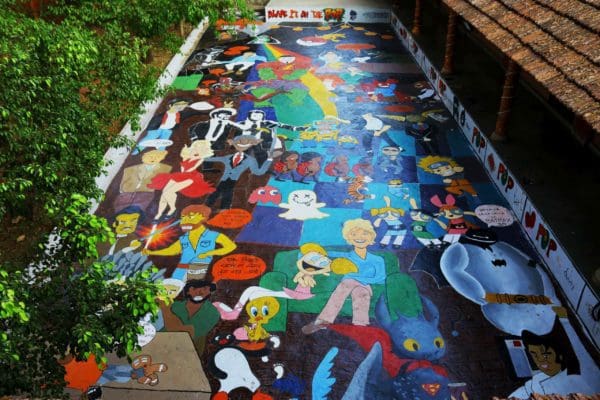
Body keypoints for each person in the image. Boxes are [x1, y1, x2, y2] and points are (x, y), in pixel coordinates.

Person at [302, 219, 386, 334]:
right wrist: (310, 254)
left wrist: (358, 279)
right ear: (349, 238)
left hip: (364, 285)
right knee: (353, 287)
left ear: (371, 237)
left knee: (360, 290)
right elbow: (322, 254)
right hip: (347, 284)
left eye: (364, 233)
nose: (359, 237)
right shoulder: (347, 256)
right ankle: (356, 326)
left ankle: (326, 321)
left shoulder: (377, 259)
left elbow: (381, 278)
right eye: (354, 234)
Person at [143, 204, 236, 281]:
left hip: (199, 268)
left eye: (190, 216)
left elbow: (231, 246)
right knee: (172, 290)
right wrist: (151, 252)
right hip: (180, 270)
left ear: (203, 217)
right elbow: (171, 250)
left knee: (190, 291)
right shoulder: (184, 238)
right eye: (183, 217)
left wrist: (210, 253)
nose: (185, 220)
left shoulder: (212, 235)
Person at [147, 140, 215, 222]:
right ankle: (159, 214)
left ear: (203, 150)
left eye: (199, 148)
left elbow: (191, 169)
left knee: (168, 192)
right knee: (164, 193)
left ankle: (172, 209)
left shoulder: (200, 159)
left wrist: (187, 164)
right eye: (195, 147)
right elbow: (183, 167)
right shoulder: (187, 155)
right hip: (180, 175)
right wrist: (186, 158)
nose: (196, 149)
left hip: (191, 177)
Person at [205, 136, 272, 209]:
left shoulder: (250, 160)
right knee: (219, 192)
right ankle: (210, 206)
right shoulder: (228, 157)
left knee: (226, 193)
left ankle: (223, 208)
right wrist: (202, 156)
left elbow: (258, 172)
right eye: (238, 142)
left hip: (236, 181)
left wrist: (269, 160)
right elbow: (214, 159)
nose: (241, 145)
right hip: (224, 179)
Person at [159, 279, 220, 355]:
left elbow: (186, 334)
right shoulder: (175, 306)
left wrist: (165, 308)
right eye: (194, 288)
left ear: (209, 292)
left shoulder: (213, 313)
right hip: (161, 346)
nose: (200, 292)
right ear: (187, 291)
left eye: (205, 288)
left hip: (188, 353)